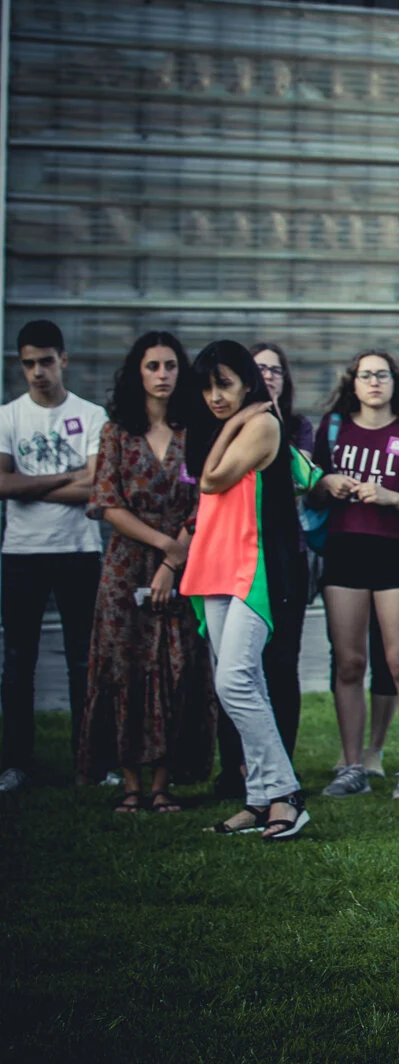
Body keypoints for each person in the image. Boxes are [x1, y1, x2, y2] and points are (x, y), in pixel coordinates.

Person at [178, 341, 311, 841]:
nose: (215, 397)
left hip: (256, 567)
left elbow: (210, 479)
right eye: (208, 387)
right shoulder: (223, 423)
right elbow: (200, 472)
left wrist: (238, 420)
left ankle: (285, 793)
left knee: (234, 680)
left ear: (247, 383)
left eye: (225, 385)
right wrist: (227, 421)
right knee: (241, 682)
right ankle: (261, 798)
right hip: (216, 563)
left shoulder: (262, 423)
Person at [80, 332, 211, 813]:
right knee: (125, 665)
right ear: (137, 372)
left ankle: (162, 783)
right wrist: (165, 547)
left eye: (171, 366)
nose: (162, 375)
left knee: (174, 666)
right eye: (153, 366)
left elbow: (205, 502)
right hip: (127, 561)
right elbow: (106, 503)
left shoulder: (194, 430)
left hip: (183, 562)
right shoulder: (117, 431)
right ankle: (130, 784)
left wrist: (175, 561)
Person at [309, 349, 399, 801]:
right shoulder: (333, 430)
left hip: (394, 553)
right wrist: (325, 483)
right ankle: (351, 767)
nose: (374, 383)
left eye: (382, 375)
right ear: (353, 382)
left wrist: (393, 499)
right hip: (344, 552)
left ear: (394, 382)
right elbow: (310, 489)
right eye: (365, 375)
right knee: (348, 662)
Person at [0, 320, 106, 790]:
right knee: (18, 661)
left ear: (63, 360)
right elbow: (2, 485)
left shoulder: (91, 414)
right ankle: (15, 763)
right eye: (28, 363)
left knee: (84, 660)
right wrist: (66, 478)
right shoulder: (8, 417)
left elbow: (97, 487)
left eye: (46, 361)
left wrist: (30, 487)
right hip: (21, 552)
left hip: (79, 550)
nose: (38, 371)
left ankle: (89, 763)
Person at [248, 342, 310, 755]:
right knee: (240, 667)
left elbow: (299, 480)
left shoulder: (297, 426)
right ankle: (236, 767)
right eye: (259, 369)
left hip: (286, 553)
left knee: (283, 664)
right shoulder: (227, 425)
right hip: (240, 554)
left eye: (276, 370)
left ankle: (283, 761)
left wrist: (267, 424)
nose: (268, 375)